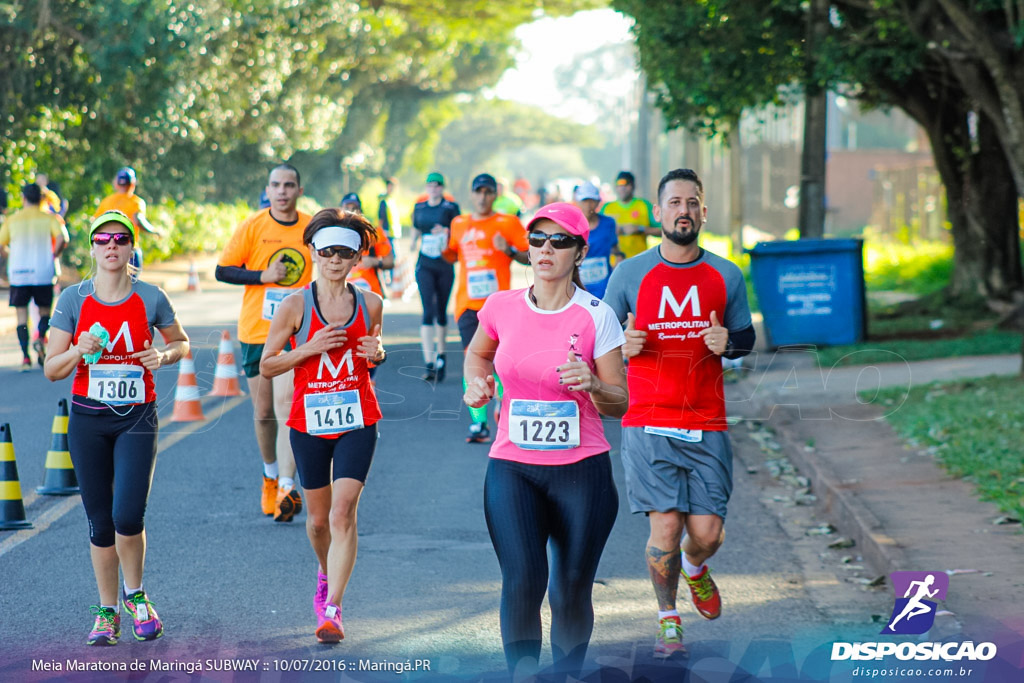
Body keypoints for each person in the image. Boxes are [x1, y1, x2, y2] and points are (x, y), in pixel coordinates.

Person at [463, 202, 628, 679]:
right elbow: (477, 357)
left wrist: (596, 386)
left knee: (571, 588)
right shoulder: (499, 307)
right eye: (537, 240)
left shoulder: (598, 317)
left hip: (583, 472)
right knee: (522, 580)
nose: (545, 249)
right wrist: (476, 387)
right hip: (514, 468)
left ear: (579, 252)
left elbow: (620, 403)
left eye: (559, 241)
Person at [603, 168, 755, 658]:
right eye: (674, 203)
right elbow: (599, 341)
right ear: (658, 211)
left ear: (703, 213)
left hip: (706, 420)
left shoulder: (725, 274)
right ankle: (668, 618)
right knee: (664, 527)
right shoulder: (629, 274)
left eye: (692, 203)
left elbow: (746, 337)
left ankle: (696, 568)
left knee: (706, 533)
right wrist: (622, 346)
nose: (683, 211)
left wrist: (727, 342)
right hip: (647, 420)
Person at [44, 210, 189, 646]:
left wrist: (162, 357)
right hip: (88, 419)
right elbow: (52, 369)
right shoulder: (73, 299)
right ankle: (106, 612)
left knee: (128, 515)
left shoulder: (150, 296)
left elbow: (179, 342)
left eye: (120, 239)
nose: (111, 246)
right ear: (91, 247)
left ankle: (137, 595)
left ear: (130, 248)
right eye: (103, 239)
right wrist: (78, 351)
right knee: (99, 522)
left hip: (137, 418)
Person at [260, 209, 386, 644]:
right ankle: (324, 569)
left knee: (342, 512)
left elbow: (372, 358)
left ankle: (332, 607)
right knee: (317, 523)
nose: (335, 259)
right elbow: (267, 363)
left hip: (357, 418)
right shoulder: (294, 304)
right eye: (328, 250)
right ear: (312, 251)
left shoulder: (371, 303)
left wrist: (378, 354)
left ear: (357, 258)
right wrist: (308, 347)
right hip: (308, 422)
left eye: (345, 252)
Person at [216, 164, 312, 522]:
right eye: (276, 185)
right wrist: (263, 276)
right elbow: (223, 270)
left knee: (288, 407)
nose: (283, 191)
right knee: (264, 411)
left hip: (297, 331)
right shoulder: (253, 226)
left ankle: (287, 485)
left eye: (289, 185)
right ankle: (270, 474)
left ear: (299, 190)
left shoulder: (310, 227)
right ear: (268, 190)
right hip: (258, 330)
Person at [443, 173, 529, 443]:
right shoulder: (459, 223)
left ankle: (503, 404)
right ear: (472, 194)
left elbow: (532, 254)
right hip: (468, 305)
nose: (482, 197)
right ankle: (478, 423)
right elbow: (450, 254)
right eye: (478, 192)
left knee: (500, 359)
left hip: (500, 306)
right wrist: (439, 245)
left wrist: (510, 252)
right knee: (474, 360)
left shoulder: (508, 223)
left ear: (495, 195)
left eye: (488, 192)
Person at [0, 183, 69, 370]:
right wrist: (54, 254)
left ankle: (24, 358)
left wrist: (10, 255)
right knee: (44, 311)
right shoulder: (50, 218)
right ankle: (40, 336)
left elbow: (1, 244)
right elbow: (64, 238)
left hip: (19, 273)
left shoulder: (12, 220)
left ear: (23, 198)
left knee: (21, 316)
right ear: (41, 199)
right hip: (43, 272)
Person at [411, 172, 460, 382]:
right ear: (426, 187)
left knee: (441, 310)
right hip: (425, 263)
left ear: (442, 188)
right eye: (430, 185)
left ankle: (441, 355)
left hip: (444, 263)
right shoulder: (419, 207)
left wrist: (446, 231)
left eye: (437, 185)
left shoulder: (450, 208)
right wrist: (412, 243)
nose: (433, 188)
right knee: (427, 311)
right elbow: (416, 228)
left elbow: (458, 231)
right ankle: (429, 362)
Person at [94, 167, 165, 270]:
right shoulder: (136, 202)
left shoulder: (106, 202)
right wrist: (154, 231)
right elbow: (139, 220)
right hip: (129, 249)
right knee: (133, 283)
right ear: (133, 184)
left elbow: (96, 223)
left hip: (108, 250)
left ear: (116, 183)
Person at [572, 181, 622, 299]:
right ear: (577, 202)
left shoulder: (608, 223)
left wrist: (619, 259)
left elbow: (614, 248)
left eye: (592, 201)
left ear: (598, 202)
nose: (588, 205)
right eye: (584, 201)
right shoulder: (571, 226)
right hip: (579, 289)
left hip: (605, 288)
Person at [341, 194, 395, 299]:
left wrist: (374, 261)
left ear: (360, 211)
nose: (350, 212)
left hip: (370, 294)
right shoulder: (332, 234)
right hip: (342, 295)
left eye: (354, 208)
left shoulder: (373, 233)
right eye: (347, 208)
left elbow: (390, 262)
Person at [600, 171, 659, 260]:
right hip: (613, 264)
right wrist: (612, 230)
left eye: (626, 184)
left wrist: (640, 229)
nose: (622, 188)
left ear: (633, 186)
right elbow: (596, 231)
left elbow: (663, 231)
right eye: (619, 185)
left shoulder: (644, 205)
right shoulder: (607, 208)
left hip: (639, 261)